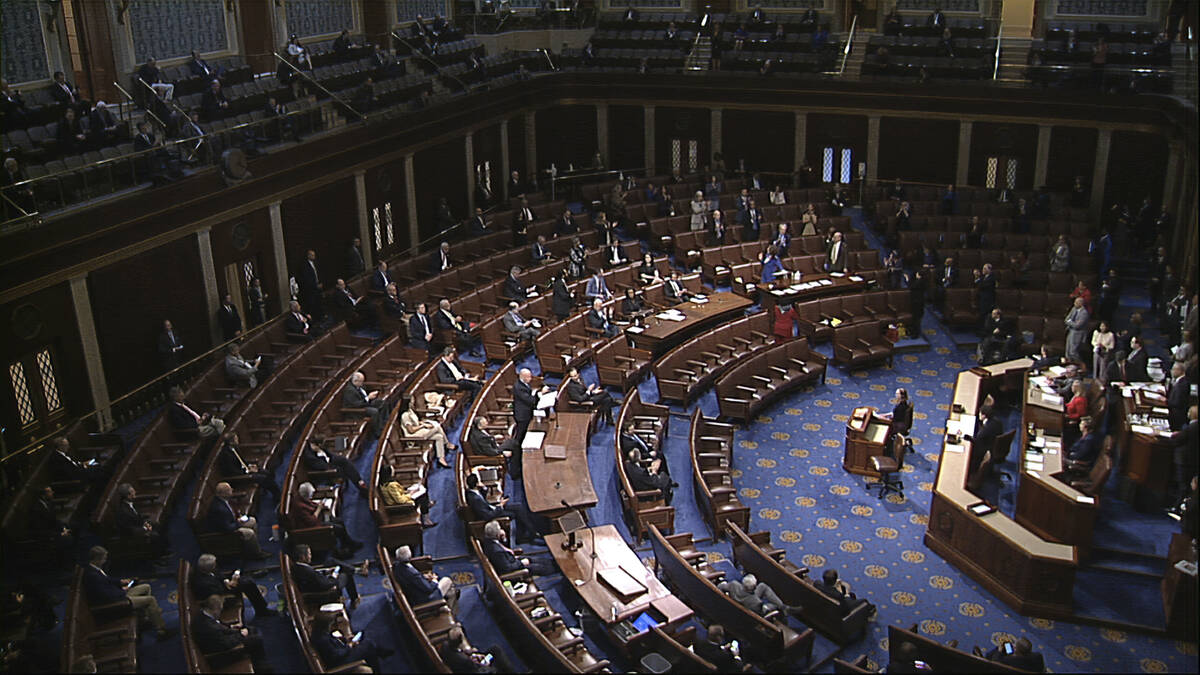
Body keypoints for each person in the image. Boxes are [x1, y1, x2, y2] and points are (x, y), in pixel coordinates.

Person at [81, 546, 173, 641]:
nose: (105, 561)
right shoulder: (92, 576)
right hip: (117, 602)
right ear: (97, 559)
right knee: (150, 600)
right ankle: (161, 630)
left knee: (146, 587)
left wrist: (120, 582)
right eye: (104, 559)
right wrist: (123, 591)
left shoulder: (95, 569)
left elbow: (107, 580)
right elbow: (105, 596)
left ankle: (143, 620)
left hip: (119, 594)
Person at [193, 594, 271, 670]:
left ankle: (257, 659)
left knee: (251, 629)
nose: (220, 612)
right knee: (256, 639)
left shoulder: (203, 614)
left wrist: (230, 627)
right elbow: (225, 643)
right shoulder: (210, 628)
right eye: (220, 609)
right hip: (220, 655)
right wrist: (241, 634)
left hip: (218, 641)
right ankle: (261, 667)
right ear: (216, 610)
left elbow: (217, 624)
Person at [191, 553, 275, 618]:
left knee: (246, 580)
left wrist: (226, 580)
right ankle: (262, 611)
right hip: (219, 598)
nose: (216, 566)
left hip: (221, 586)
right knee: (248, 584)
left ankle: (261, 608)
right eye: (214, 565)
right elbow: (218, 592)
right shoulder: (204, 583)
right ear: (210, 568)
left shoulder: (204, 569)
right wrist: (232, 583)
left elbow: (218, 574)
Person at [467, 472, 542, 545]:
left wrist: (484, 487)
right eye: (479, 481)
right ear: (476, 484)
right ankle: (529, 535)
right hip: (492, 514)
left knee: (518, 507)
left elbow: (483, 498)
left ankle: (527, 533)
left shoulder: (474, 492)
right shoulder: (475, 499)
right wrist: (500, 506)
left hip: (493, 508)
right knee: (514, 514)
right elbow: (487, 515)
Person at [294, 481, 363, 557]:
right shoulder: (300, 507)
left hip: (319, 519)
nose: (312, 496)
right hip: (312, 528)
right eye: (311, 495)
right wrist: (319, 508)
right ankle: (342, 551)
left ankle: (347, 544)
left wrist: (320, 505)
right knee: (338, 528)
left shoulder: (301, 498)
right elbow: (312, 521)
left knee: (339, 521)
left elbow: (311, 504)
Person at [311, 610, 389, 672]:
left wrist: (346, 641)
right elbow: (336, 655)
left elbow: (335, 646)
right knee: (368, 645)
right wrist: (349, 646)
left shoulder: (320, 633)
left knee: (367, 646)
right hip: (340, 663)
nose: (333, 626)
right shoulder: (322, 639)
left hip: (342, 656)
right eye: (331, 624)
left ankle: (379, 653)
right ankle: (380, 654)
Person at [207, 481, 268, 559]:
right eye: (229, 490)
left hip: (233, 522)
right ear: (222, 494)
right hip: (225, 533)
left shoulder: (223, 500)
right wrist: (238, 522)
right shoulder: (219, 509)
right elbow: (227, 528)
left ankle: (252, 545)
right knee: (249, 533)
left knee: (252, 520)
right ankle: (257, 554)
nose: (232, 490)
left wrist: (238, 517)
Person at [292, 543, 361, 610]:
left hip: (318, 586)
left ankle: (356, 570)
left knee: (332, 562)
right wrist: (333, 577)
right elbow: (326, 585)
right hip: (325, 594)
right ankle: (354, 599)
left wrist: (325, 572)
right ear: (303, 557)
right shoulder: (307, 571)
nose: (311, 556)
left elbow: (316, 578)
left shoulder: (297, 567)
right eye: (309, 554)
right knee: (346, 575)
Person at [392, 545, 458, 612]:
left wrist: (423, 577)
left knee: (451, 591)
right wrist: (434, 580)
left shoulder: (397, 567)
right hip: (426, 600)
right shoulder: (413, 574)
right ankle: (447, 609)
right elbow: (429, 589)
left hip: (414, 595)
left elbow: (414, 580)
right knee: (447, 581)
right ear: (410, 556)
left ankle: (447, 603)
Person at [218, 431, 280, 500]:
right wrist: (248, 471)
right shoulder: (226, 455)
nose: (238, 440)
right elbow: (232, 472)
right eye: (236, 439)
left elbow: (241, 461)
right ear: (231, 442)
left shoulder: (234, 448)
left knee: (268, 473)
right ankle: (278, 497)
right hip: (241, 477)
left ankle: (274, 492)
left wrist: (250, 466)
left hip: (245, 470)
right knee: (263, 478)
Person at [480, 520, 555, 575]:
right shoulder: (497, 552)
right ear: (496, 535)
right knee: (541, 567)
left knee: (538, 559)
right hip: (514, 569)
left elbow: (502, 546)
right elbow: (507, 568)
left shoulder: (488, 540)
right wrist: (522, 563)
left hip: (512, 559)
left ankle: (554, 563)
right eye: (500, 529)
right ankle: (557, 569)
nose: (502, 530)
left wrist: (504, 538)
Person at [113, 483, 168, 557]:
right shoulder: (123, 511)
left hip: (138, 526)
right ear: (128, 496)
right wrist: (145, 528)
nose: (135, 492)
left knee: (157, 525)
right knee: (154, 536)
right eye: (133, 491)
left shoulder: (128, 503)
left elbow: (137, 517)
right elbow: (129, 529)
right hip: (131, 534)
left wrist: (145, 523)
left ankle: (166, 549)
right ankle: (160, 556)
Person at [400, 394, 454, 469]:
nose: (413, 402)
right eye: (412, 401)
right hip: (413, 436)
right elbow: (411, 430)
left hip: (419, 431)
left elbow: (416, 422)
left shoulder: (411, 411)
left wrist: (424, 423)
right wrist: (423, 426)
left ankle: (441, 459)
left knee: (439, 437)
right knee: (437, 427)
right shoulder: (405, 415)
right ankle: (447, 444)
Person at [439, 625, 516, 674]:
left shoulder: (445, 646)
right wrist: (485, 665)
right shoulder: (465, 661)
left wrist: (472, 655)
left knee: (494, 650)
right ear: (461, 642)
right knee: (496, 651)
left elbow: (459, 654)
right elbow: (478, 670)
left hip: (469, 665)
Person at [303, 436, 368, 493]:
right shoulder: (310, 456)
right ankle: (360, 483)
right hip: (326, 472)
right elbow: (322, 466)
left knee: (345, 461)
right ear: (317, 445)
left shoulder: (317, 446)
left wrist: (335, 458)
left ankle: (359, 482)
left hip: (330, 462)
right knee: (345, 469)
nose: (322, 447)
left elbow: (330, 454)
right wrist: (321, 454)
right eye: (320, 446)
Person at [342, 371, 391, 435]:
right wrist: (368, 398)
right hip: (356, 411)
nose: (362, 383)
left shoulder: (359, 385)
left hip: (364, 404)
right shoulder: (350, 390)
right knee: (374, 411)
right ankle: (378, 432)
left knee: (382, 403)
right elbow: (356, 405)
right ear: (356, 381)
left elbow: (364, 393)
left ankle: (386, 423)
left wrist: (373, 393)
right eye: (361, 381)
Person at [511, 367, 543, 446]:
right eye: (529, 377)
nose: (531, 378)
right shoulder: (519, 387)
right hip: (522, 415)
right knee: (520, 434)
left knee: (523, 431)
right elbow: (530, 400)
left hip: (526, 412)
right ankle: (515, 448)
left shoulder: (524, 384)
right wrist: (539, 394)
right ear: (523, 377)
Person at [296, 249, 324, 320]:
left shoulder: (316, 263)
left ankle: (321, 317)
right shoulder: (304, 265)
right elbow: (306, 278)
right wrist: (315, 285)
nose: (314, 256)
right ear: (308, 255)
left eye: (314, 255)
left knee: (319, 304)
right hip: (310, 289)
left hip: (318, 288)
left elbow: (317, 274)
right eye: (312, 255)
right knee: (312, 305)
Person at [1166, 363, 1191, 431]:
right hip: (1176, 415)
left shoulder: (1182, 384)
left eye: (1173, 369)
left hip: (1177, 417)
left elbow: (1177, 403)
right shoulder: (1181, 381)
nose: (1171, 371)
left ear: (1180, 371)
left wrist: (1165, 400)